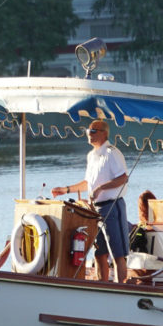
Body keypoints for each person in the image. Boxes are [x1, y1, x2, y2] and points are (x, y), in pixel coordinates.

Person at [51, 119, 130, 282]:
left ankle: (121, 287)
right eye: (88, 131)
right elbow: (88, 183)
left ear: (104, 133)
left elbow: (123, 178)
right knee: (99, 252)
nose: (89, 134)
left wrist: (101, 188)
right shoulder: (91, 156)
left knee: (117, 252)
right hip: (95, 211)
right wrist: (65, 190)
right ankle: (103, 286)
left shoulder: (111, 153)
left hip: (112, 207)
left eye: (94, 131)